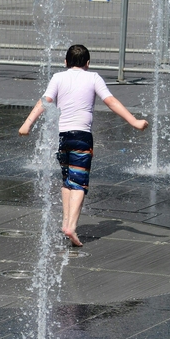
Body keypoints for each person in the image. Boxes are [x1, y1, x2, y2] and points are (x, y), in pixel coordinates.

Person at [19, 44, 148, 247]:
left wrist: (27, 124)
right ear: (88, 63)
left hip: (63, 137)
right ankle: (70, 226)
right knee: (79, 183)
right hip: (82, 136)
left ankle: (66, 221)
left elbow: (45, 101)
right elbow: (111, 101)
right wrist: (134, 121)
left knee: (67, 180)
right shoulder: (93, 77)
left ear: (65, 63)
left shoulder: (58, 77)